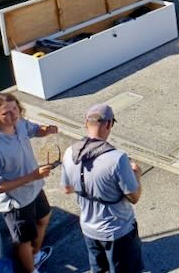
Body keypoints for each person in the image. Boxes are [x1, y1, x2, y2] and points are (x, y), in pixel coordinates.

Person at [61, 104, 144, 273]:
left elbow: (67, 188)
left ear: (86, 123)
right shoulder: (117, 158)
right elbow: (134, 197)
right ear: (108, 124)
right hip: (117, 231)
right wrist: (136, 174)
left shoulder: (69, 153)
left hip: (89, 229)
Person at [0, 92, 57, 273]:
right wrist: (31, 176)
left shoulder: (20, 123)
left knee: (44, 217)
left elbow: (34, 130)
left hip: (34, 188)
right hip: (15, 201)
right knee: (23, 240)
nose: (13, 115)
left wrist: (45, 130)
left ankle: (35, 256)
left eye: (15, 109)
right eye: (6, 113)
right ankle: (31, 270)